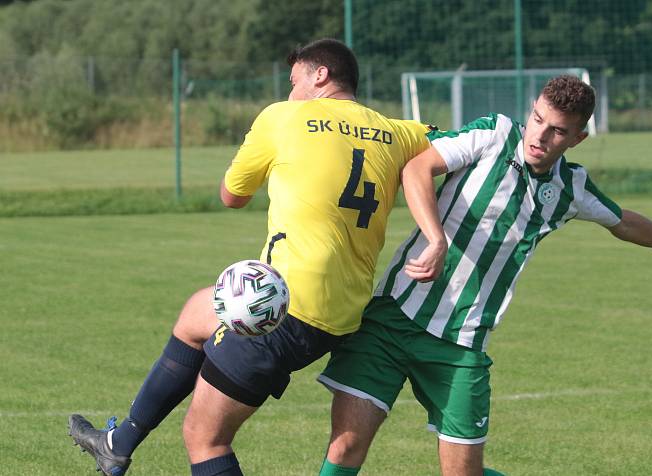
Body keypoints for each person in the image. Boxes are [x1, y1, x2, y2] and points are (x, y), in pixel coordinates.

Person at [316, 75, 652, 476]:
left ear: (577, 139)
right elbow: (417, 169)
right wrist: (435, 238)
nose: (540, 136)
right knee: (347, 445)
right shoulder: (493, 134)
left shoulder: (570, 187)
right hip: (393, 317)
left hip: (462, 343)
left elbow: (625, 222)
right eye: (537, 119)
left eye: (558, 131)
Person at [68, 38, 443, 476]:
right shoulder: (399, 131)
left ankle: (120, 446)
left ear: (319, 75)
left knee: (204, 437)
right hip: (345, 310)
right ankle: (118, 443)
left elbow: (232, 196)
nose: (290, 91)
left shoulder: (281, 117)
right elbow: (457, 145)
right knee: (195, 315)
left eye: (294, 80)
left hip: (282, 306)